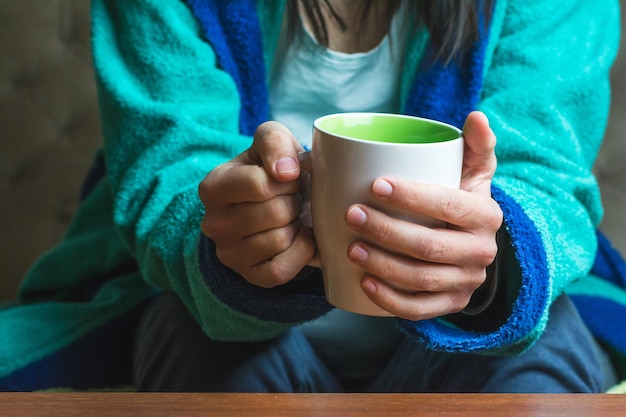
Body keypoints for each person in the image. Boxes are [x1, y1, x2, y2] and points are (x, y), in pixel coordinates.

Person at [0, 0, 623, 392]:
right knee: (191, 338)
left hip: (469, 343)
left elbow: (545, 171)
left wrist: (493, 257)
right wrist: (227, 239)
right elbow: (165, 163)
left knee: (546, 345)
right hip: (219, 327)